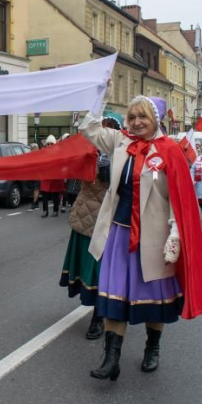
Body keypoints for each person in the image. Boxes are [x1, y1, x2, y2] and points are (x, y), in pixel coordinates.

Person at [80, 94, 202, 382]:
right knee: (114, 296)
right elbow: (88, 128)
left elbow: (178, 199)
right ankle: (111, 359)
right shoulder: (120, 142)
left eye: (143, 117)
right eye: (133, 117)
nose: (137, 122)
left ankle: (152, 348)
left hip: (154, 238)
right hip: (118, 234)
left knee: (154, 298)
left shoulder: (170, 150)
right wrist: (98, 96)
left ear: (156, 120)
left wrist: (176, 235)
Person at [60, 113, 122, 339]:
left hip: (110, 221)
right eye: (104, 127)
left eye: (111, 128)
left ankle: (99, 315)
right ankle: (97, 310)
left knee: (101, 271)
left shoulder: (124, 154)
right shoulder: (87, 152)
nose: (106, 132)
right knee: (90, 269)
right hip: (87, 218)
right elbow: (72, 173)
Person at [40, 135, 64, 217]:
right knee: (44, 194)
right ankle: (45, 211)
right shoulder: (43, 152)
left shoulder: (58, 152)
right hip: (46, 176)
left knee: (55, 195)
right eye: (48, 144)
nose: (49, 145)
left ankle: (55, 210)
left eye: (51, 144)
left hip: (55, 176)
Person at [28, 143, 41, 210]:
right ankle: (36, 203)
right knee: (34, 189)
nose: (31, 149)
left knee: (36, 189)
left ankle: (34, 203)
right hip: (31, 175)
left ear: (36, 148)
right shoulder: (30, 156)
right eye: (31, 148)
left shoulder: (39, 155)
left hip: (37, 175)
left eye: (33, 148)